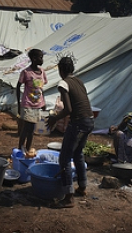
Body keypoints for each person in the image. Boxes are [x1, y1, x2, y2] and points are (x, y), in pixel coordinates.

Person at [46, 56, 94, 209]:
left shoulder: (63, 83)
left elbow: (68, 109)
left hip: (78, 122)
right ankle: (82, 187)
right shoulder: (79, 81)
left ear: (61, 70)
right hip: (89, 120)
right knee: (78, 153)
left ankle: (68, 197)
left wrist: (54, 118)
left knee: (64, 158)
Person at [16, 48, 47, 154]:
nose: (42, 60)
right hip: (28, 104)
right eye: (40, 57)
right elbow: (18, 86)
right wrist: (19, 104)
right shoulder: (26, 72)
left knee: (32, 130)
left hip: (38, 105)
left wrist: (44, 102)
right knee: (26, 128)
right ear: (34, 59)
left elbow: (41, 89)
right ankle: (20, 150)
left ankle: (28, 150)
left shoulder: (42, 72)